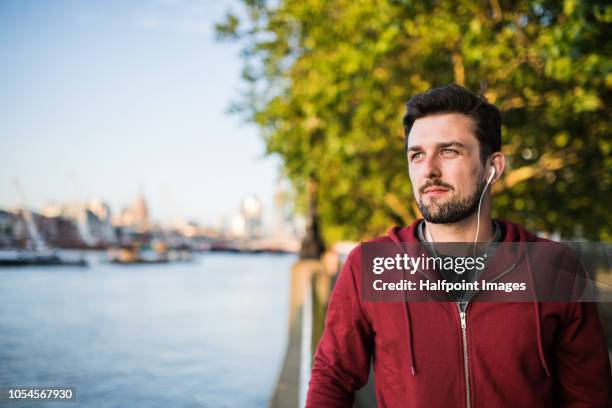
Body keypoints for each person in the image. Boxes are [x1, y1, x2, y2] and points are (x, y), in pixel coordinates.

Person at [305, 84, 612, 407]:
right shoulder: (368, 266)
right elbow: (332, 378)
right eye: (417, 155)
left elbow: (589, 395)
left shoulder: (553, 267)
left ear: (493, 167)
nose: (429, 170)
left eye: (448, 151)